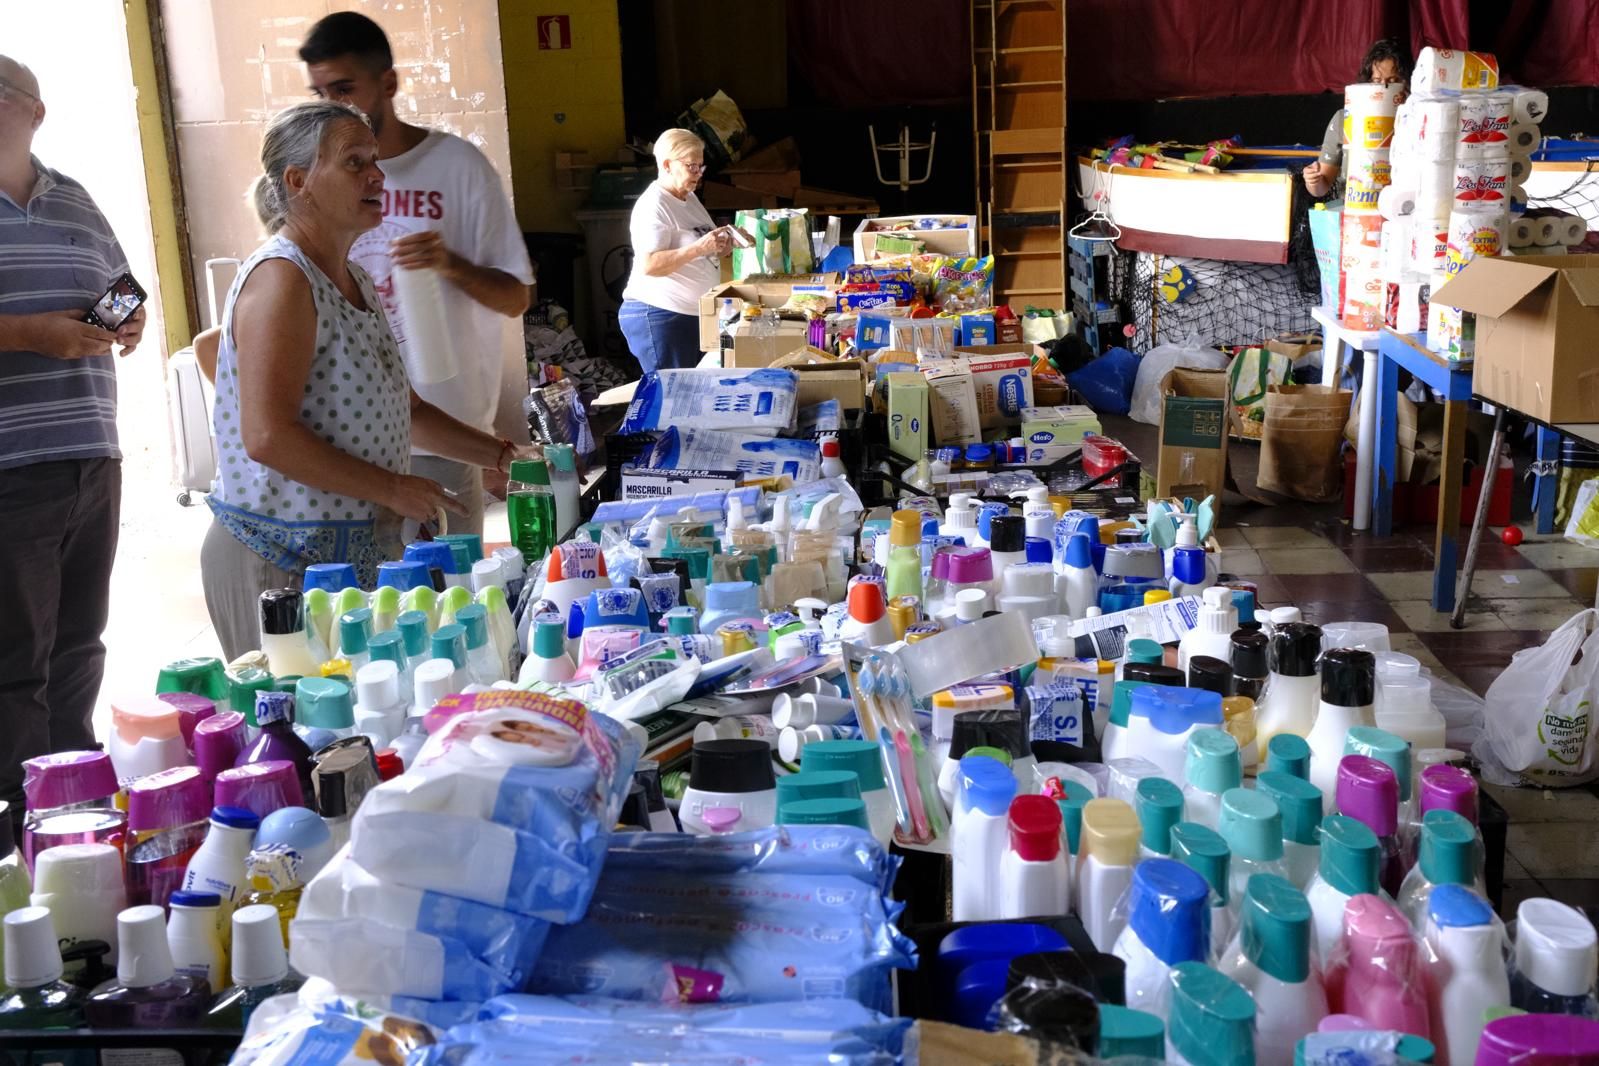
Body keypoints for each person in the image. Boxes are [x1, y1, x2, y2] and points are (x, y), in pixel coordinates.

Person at [201, 101, 531, 660]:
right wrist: (394, 488)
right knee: (303, 730)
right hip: (276, 560)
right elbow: (267, 435)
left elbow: (410, 412)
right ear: (299, 181)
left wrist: (506, 456)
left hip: (341, 564)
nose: (377, 175)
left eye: (374, 160)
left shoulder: (352, 276)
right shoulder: (282, 280)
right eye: (355, 163)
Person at [299, 12, 534, 538]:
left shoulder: (458, 167)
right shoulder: (316, 183)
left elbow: (517, 296)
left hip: (441, 436)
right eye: (320, 95)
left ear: (388, 83)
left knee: (451, 599)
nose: (332, 108)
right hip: (349, 444)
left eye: (344, 89)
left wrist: (448, 264)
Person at [0, 55, 147, 832]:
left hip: (91, 454)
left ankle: (77, 812)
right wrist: (30, 336)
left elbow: (121, 285)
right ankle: (19, 831)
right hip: (9, 466)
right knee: (14, 666)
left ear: (34, 111)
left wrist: (125, 321)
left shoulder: (75, 199)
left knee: (78, 647)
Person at [618, 129, 733, 374]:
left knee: (694, 396)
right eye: (692, 166)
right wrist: (698, 248)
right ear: (668, 164)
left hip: (691, 316)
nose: (698, 174)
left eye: (701, 167)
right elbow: (650, 265)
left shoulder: (688, 198)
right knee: (674, 400)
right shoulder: (654, 205)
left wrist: (723, 245)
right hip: (661, 316)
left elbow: (704, 248)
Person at [1303, 39, 1411, 198]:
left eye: (1393, 81)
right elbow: (1320, 188)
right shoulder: (1344, 118)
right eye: (1377, 81)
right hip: (1354, 210)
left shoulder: (1415, 119)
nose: (1384, 87)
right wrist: (1313, 180)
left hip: (1400, 212)